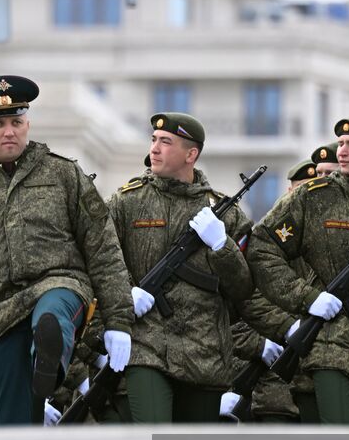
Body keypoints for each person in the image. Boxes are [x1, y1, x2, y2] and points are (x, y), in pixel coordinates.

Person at [0, 76, 133, 425]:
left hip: (60, 285)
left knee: (52, 315)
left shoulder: (64, 174)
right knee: (10, 426)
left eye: (16, 122)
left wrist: (120, 320)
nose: (9, 131)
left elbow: (103, 249)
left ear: (27, 125)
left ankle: (49, 359)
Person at [109, 112, 254, 423]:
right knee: (153, 438)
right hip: (144, 344)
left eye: (166, 142)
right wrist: (124, 296)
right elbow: (101, 263)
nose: (155, 149)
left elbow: (243, 288)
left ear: (191, 154)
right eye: (153, 140)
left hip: (204, 352)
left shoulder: (225, 214)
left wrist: (221, 245)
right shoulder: (126, 202)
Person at [253, 115, 349, 424]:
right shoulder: (313, 197)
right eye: (341, 143)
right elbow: (262, 247)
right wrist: (306, 297)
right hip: (331, 342)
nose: (342, 151)